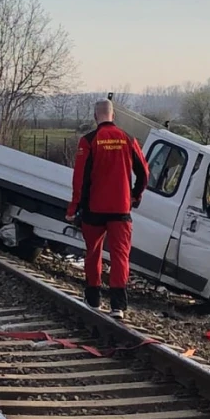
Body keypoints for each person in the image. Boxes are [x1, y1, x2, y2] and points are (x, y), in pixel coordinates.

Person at [65, 99, 149, 320]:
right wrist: (134, 195)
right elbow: (144, 173)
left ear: (95, 116)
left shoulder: (89, 141)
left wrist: (74, 208)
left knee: (93, 252)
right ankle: (118, 306)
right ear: (113, 116)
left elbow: (80, 179)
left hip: (94, 209)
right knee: (121, 256)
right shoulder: (129, 139)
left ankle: (93, 299)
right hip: (121, 209)